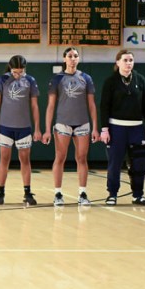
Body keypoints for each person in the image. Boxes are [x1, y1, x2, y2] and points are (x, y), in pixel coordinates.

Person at [43, 47, 98, 206]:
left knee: (82, 158)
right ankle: (58, 194)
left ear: (78, 59)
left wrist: (95, 127)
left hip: (82, 123)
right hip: (63, 123)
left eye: (75, 56)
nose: (73, 59)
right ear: (64, 59)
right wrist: (47, 130)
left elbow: (92, 104)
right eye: (70, 56)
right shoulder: (57, 79)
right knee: (60, 157)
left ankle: (82, 193)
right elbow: (50, 106)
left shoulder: (86, 78)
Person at [99, 49, 145, 206]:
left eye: (131, 60)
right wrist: (104, 129)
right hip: (116, 128)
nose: (128, 63)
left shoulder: (140, 79)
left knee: (139, 164)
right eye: (125, 60)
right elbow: (104, 106)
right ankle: (112, 194)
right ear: (117, 62)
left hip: (136, 128)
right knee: (115, 163)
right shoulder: (110, 81)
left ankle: (138, 195)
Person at [0, 55, 42, 206]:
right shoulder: (2, 80)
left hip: (24, 127)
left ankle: (27, 192)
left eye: (21, 72)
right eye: (15, 72)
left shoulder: (30, 80)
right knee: (4, 159)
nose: (18, 75)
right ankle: (0, 192)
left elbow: (34, 106)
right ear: (10, 68)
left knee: (25, 160)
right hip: (5, 127)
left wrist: (37, 128)